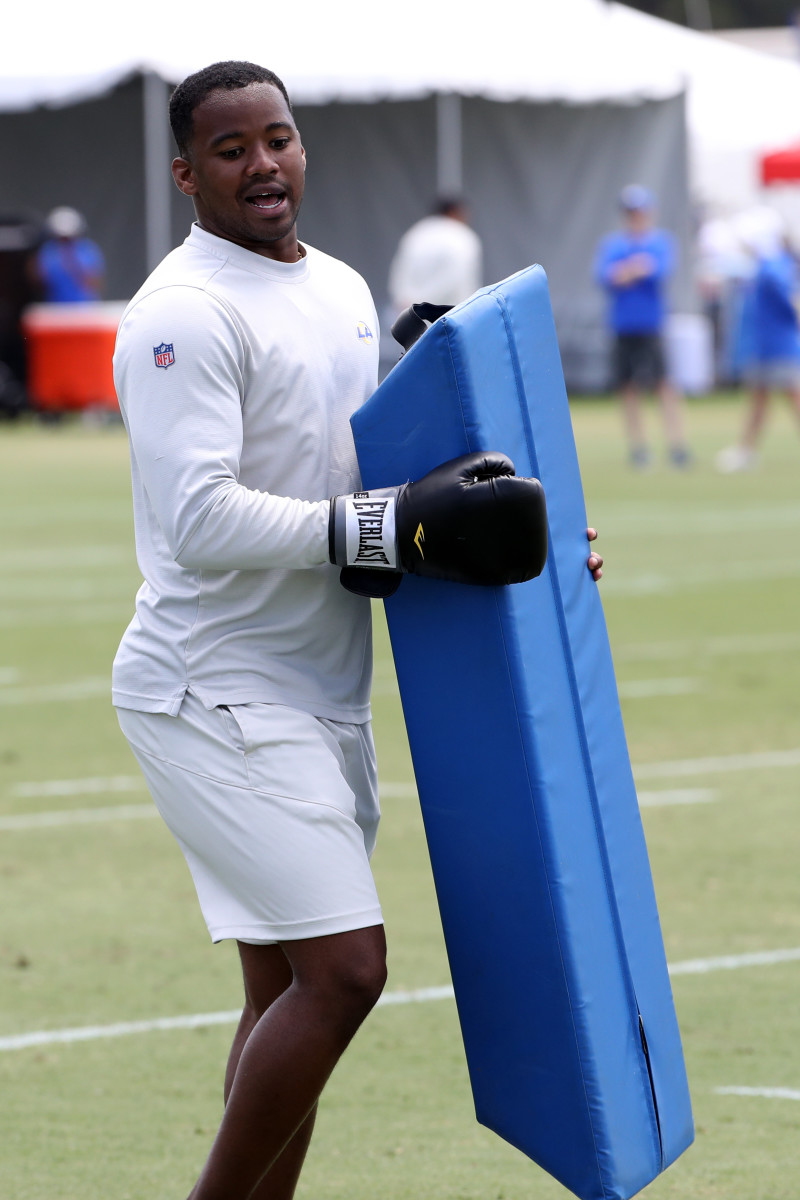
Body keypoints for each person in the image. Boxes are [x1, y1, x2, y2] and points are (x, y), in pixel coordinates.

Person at [111, 60, 603, 1200]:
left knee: (284, 989)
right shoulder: (182, 314)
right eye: (229, 150)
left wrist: (531, 530)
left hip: (321, 684)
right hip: (210, 685)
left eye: (276, 138)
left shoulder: (334, 287)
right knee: (344, 974)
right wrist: (386, 525)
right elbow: (198, 519)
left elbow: (375, 476)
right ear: (187, 175)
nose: (262, 163)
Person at [594, 184, 691, 469]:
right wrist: (635, 268)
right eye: (631, 212)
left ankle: (677, 445)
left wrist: (628, 270)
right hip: (623, 325)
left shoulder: (660, 241)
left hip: (651, 325)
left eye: (640, 211)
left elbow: (658, 271)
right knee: (628, 387)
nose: (636, 216)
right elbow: (605, 277)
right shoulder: (613, 244)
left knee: (664, 384)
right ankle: (639, 448)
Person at [716, 207, 800, 473]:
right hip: (765, 344)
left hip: (781, 344)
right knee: (759, 398)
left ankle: (746, 449)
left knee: (793, 396)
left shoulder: (772, 265)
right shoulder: (767, 264)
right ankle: (746, 449)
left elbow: (792, 300)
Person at [387, 196, 483, 316]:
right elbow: (455, 277)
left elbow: (400, 271)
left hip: (411, 315)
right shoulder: (462, 236)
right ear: (454, 211)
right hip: (452, 316)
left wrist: (407, 301)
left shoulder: (417, 232)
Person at [33, 205, 104, 302]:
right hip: (55, 308)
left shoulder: (87, 249)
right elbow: (39, 280)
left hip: (85, 308)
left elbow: (95, 281)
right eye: (62, 238)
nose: (65, 242)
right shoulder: (47, 252)